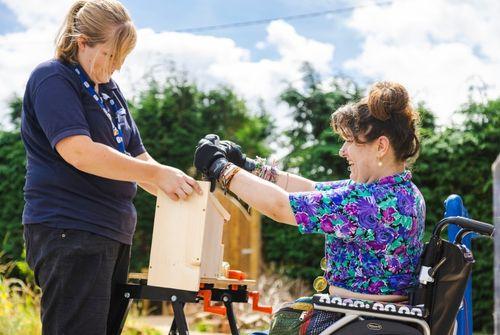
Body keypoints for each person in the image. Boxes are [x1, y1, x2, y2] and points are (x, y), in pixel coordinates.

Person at [21, 1, 201, 334]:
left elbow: (139, 158)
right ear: (82, 42)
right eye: (110, 55)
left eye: (122, 58)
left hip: (111, 233)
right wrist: (156, 175)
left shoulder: (109, 91)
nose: (116, 66)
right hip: (70, 230)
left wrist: (184, 189)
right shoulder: (53, 79)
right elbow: (79, 152)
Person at [194, 81, 425, 303]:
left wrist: (221, 168)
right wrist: (247, 166)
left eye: (350, 141)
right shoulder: (393, 192)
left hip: (358, 323)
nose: (342, 151)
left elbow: (280, 207)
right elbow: (310, 189)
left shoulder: (371, 203)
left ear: (381, 147)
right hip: (363, 317)